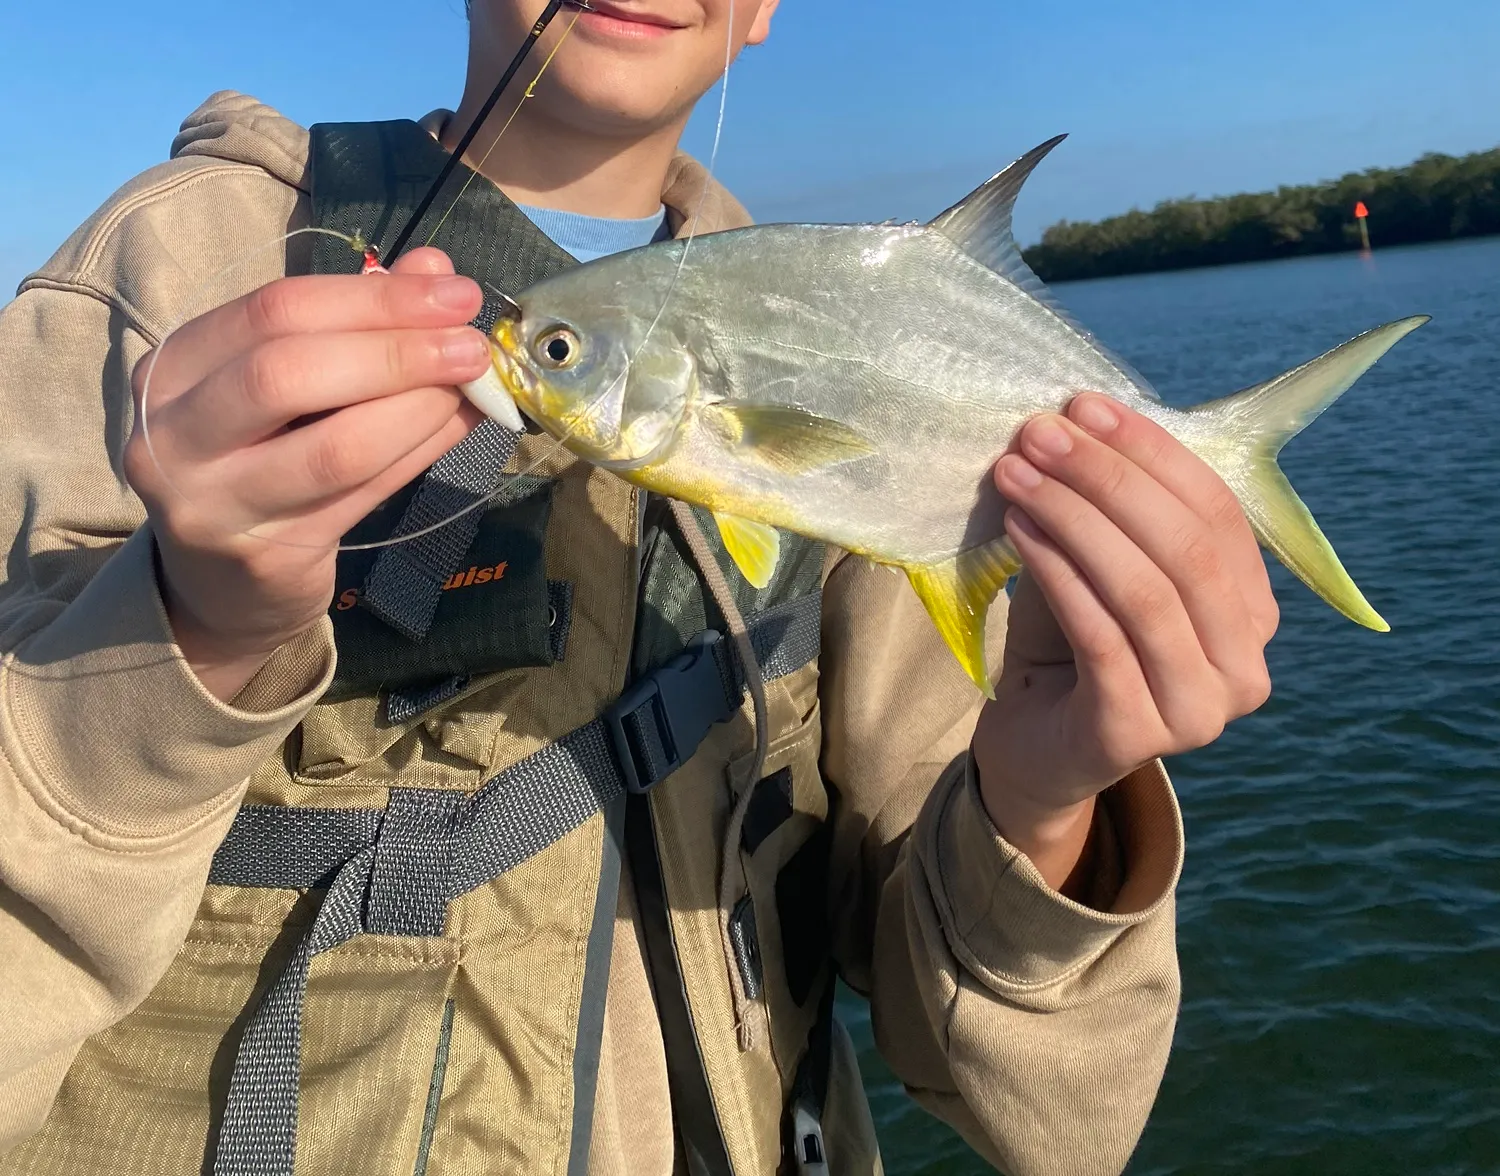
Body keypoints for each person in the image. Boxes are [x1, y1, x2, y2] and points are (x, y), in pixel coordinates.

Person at [0, 2, 1278, 1173]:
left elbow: (1053, 1125)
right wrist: (180, 641)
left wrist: (1050, 799)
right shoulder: (179, 266)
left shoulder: (848, 330)